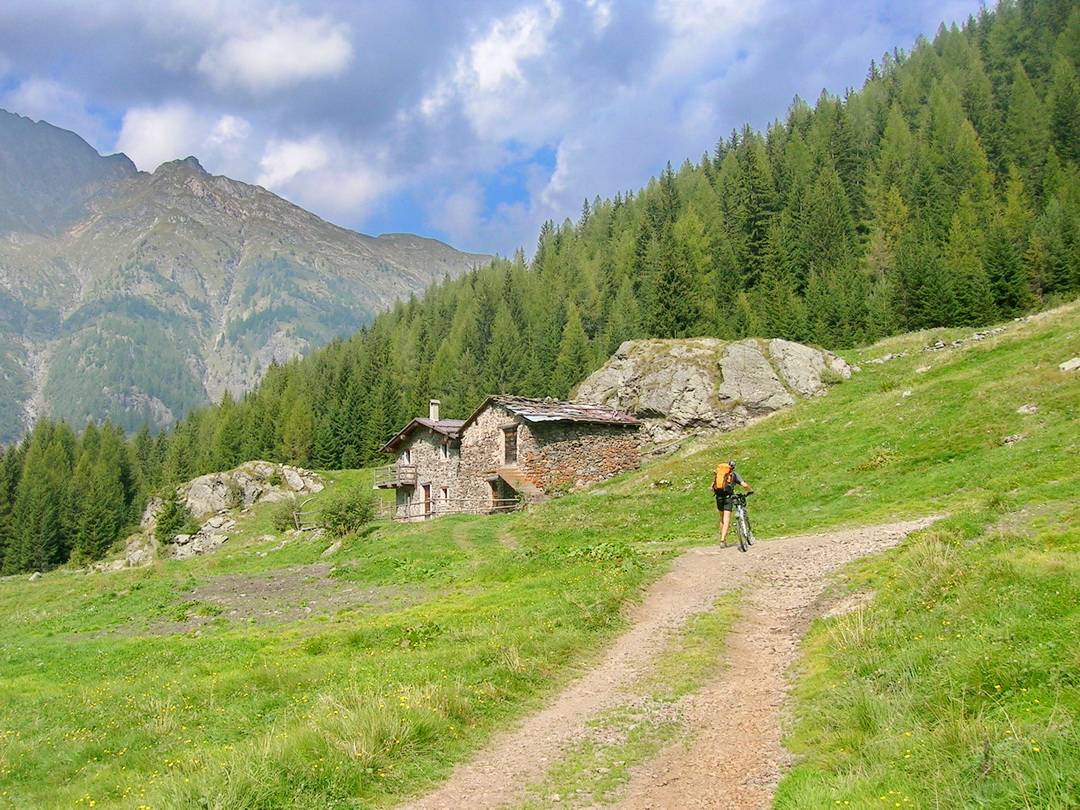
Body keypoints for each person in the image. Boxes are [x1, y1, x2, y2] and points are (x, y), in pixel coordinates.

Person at [713, 460, 753, 549]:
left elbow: (712, 487)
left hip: (718, 497)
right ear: (733, 467)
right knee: (726, 519)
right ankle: (722, 541)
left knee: (722, 519)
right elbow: (744, 485)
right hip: (728, 497)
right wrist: (750, 490)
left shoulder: (720, 474)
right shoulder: (734, 475)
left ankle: (723, 540)